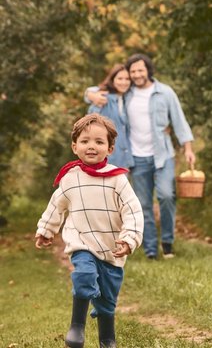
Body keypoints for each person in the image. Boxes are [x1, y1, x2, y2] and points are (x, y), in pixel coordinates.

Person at [35, 113, 143, 348]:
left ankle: (107, 340)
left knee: (107, 301)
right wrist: (46, 229)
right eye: (85, 141)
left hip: (111, 248)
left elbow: (133, 212)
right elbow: (57, 205)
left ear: (110, 148)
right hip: (81, 241)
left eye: (98, 142)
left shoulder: (118, 180)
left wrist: (128, 239)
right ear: (75, 147)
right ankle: (77, 327)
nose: (91, 146)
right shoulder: (70, 178)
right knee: (84, 275)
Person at [87, 53, 196, 260]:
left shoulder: (164, 92)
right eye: (133, 71)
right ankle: (151, 250)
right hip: (135, 158)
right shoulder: (125, 93)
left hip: (162, 155)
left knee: (166, 196)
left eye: (140, 70)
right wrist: (90, 95)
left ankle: (167, 241)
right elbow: (98, 91)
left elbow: (179, 121)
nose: (137, 75)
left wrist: (188, 148)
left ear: (148, 70)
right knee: (142, 205)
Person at [87, 64, 133, 168]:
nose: (124, 82)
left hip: (123, 159)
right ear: (113, 80)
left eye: (127, 79)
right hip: (106, 159)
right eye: (120, 78)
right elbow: (90, 124)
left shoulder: (125, 99)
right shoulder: (103, 98)